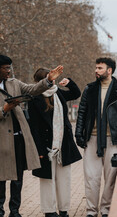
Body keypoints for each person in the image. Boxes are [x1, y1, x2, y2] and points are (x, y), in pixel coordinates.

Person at [0, 55, 63, 217]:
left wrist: (48, 81)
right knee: (0, 178)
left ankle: (14, 211)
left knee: (17, 178)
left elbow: (32, 90)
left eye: (9, 67)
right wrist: (4, 109)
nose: (9, 71)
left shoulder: (14, 83)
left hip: (19, 138)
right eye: (5, 68)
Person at [75, 57, 117, 217]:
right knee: (91, 178)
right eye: (96, 68)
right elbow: (82, 112)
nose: (96, 71)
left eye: (100, 68)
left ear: (109, 70)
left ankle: (106, 210)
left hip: (114, 140)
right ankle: (91, 211)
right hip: (91, 139)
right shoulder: (89, 89)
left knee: (111, 178)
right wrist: (78, 133)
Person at [28, 68, 82, 217]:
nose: (52, 80)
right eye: (48, 78)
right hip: (45, 146)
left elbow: (76, 93)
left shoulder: (58, 93)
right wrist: (38, 150)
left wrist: (69, 82)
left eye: (53, 78)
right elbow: (34, 127)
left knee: (64, 179)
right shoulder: (34, 98)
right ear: (41, 81)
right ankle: (50, 211)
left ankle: (64, 210)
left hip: (63, 144)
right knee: (47, 179)